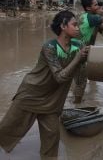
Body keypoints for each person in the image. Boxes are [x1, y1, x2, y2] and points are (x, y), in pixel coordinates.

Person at [0, 10, 89, 158]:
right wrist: (78, 58)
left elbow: (83, 72)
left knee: (52, 136)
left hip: (53, 99)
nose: (78, 28)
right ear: (63, 26)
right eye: (74, 24)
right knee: (7, 129)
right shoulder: (49, 47)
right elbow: (60, 77)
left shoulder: (78, 45)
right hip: (31, 94)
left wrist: (78, 96)